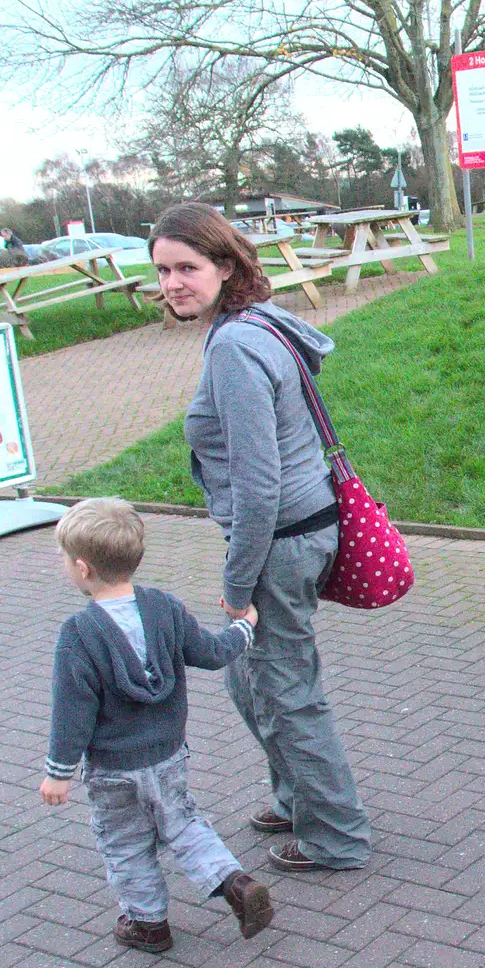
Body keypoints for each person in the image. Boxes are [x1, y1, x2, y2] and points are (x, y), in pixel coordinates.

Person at [150, 201, 371, 873]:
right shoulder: (248, 325)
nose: (172, 283)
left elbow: (257, 484)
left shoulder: (238, 348)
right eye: (161, 270)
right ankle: (299, 794)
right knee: (250, 681)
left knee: (286, 689)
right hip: (296, 531)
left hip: (279, 540)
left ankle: (336, 835)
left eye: (186, 267)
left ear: (224, 265)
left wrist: (236, 587)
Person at [41, 498, 273, 953]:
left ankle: (148, 924)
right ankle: (235, 882)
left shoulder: (79, 634)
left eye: (66, 560)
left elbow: (72, 712)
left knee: (126, 842)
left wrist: (58, 772)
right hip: (168, 755)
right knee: (182, 823)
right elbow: (210, 653)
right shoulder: (163, 607)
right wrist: (245, 627)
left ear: (83, 568)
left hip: (114, 770)